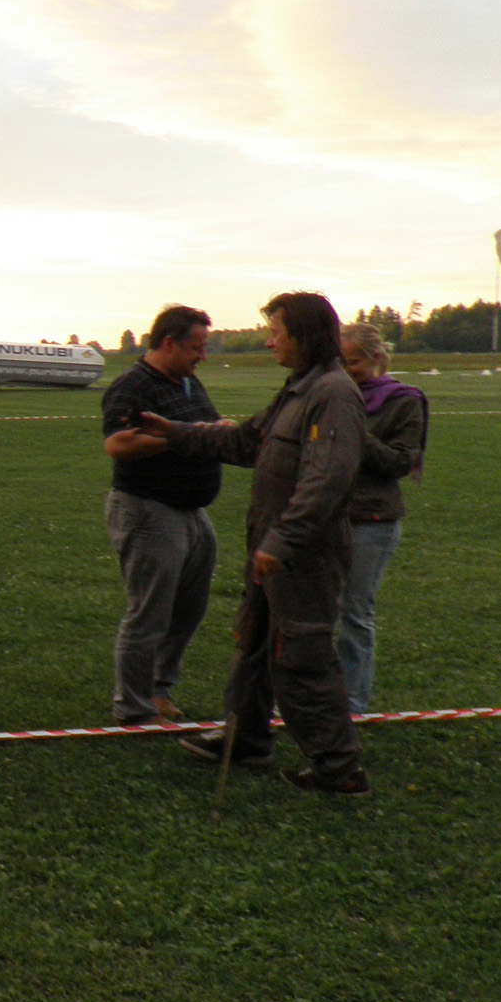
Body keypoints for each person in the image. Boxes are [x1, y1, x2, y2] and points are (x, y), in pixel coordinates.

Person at [139, 293, 370, 795]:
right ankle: (245, 740)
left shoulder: (332, 394)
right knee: (254, 646)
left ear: (304, 335)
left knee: (301, 657)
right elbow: (245, 441)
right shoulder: (298, 390)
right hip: (273, 551)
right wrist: (175, 432)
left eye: (276, 333)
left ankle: (338, 768)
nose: (269, 342)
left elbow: (326, 481)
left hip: (300, 558)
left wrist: (282, 543)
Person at [98, 306, 223, 725]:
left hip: (191, 510)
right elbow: (118, 445)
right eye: (196, 347)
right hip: (148, 510)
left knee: (189, 608)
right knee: (149, 613)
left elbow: (197, 429)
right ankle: (134, 709)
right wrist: (182, 437)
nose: (201, 356)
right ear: (168, 343)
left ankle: (158, 691)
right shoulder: (131, 386)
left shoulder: (187, 383)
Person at [335, 320, 428, 713]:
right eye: (339, 362)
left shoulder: (404, 401)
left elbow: (401, 462)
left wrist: (360, 435)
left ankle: (352, 703)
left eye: (353, 362)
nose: (345, 370)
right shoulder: (335, 394)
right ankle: (314, 697)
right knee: (314, 615)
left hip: (371, 522)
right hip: (327, 517)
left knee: (355, 614)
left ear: (377, 359)